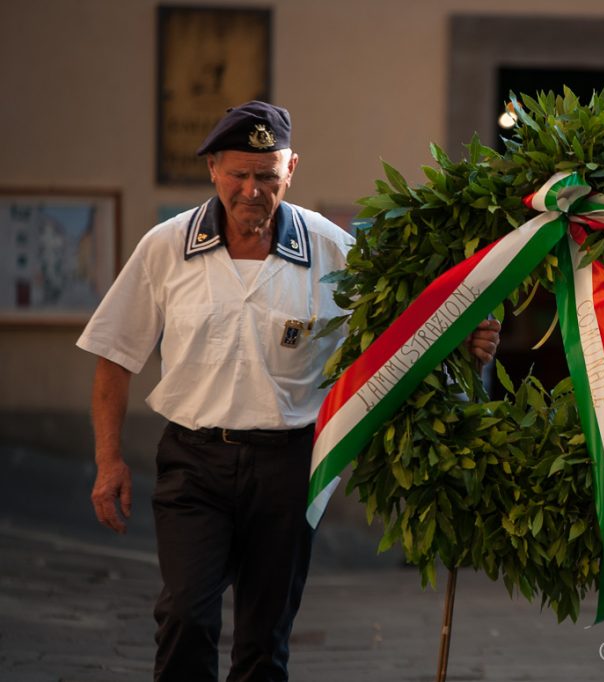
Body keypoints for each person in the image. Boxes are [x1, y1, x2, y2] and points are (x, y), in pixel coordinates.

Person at [77, 101, 500, 682]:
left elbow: (399, 335)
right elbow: (114, 357)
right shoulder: (165, 246)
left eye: (267, 177)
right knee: (185, 616)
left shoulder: (333, 251)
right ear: (213, 170)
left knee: (264, 639)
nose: (251, 190)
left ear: (291, 169)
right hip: (194, 464)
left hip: (289, 466)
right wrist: (108, 462)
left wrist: (463, 338)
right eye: (238, 174)